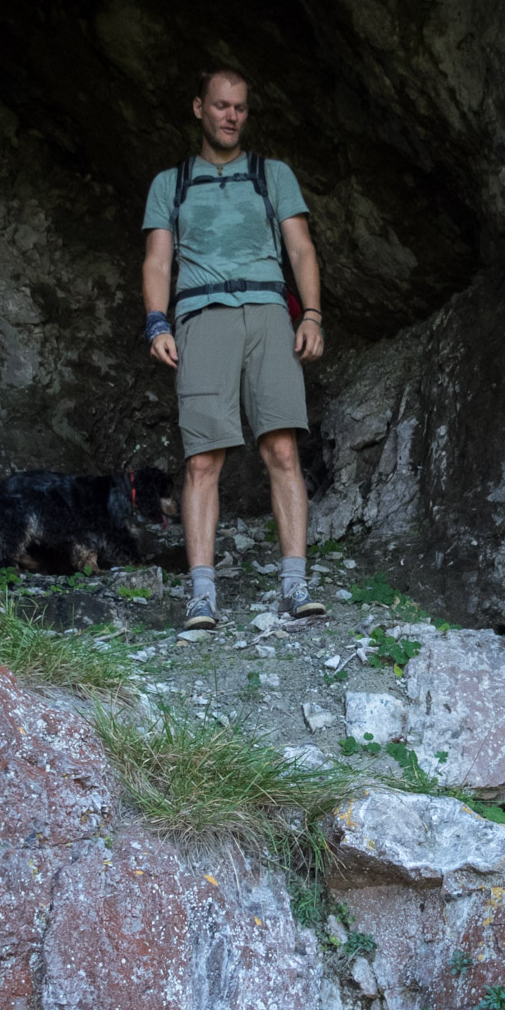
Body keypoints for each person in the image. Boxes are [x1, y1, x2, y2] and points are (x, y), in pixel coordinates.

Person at [141, 66, 326, 630]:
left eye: (240, 108)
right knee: (202, 459)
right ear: (199, 107)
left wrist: (312, 314)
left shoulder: (273, 176)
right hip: (201, 316)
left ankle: (294, 588)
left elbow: (301, 250)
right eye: (221, 106)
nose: (231, 116)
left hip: (269, 312)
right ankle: (201, 597)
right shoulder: (170, 184)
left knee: (283, 451)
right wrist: (157, 322)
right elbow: (157, 260)